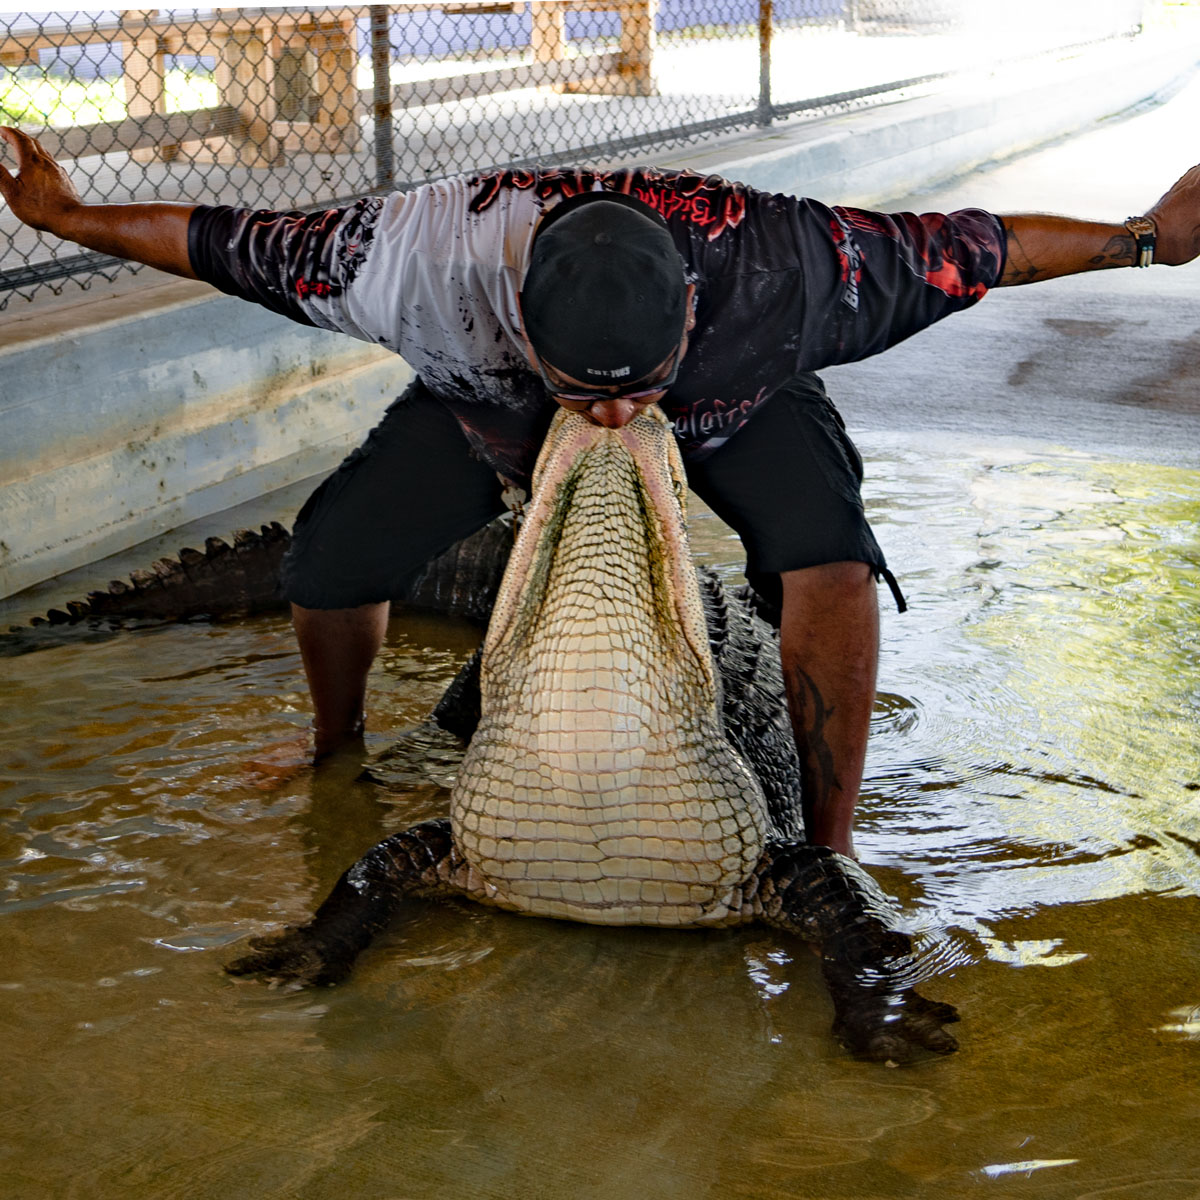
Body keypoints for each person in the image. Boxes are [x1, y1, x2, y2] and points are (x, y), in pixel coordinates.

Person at [3, 125, 1198, 859]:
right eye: (590, 390)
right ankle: (335, 743)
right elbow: (218, 236)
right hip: (492, 413)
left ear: (689, 308)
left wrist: (1150, 241)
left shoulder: (799, 266)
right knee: (328, 562)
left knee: (826, 558)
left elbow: (985, 245)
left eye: (636, 391)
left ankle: (828, 848)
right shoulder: (407, 260)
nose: (618, 418)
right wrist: (64, 218)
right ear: (519, 310)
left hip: (742, 400)